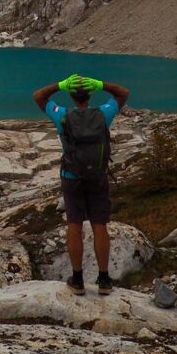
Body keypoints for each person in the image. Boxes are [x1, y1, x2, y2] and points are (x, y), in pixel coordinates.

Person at [32, 72, 129, 296]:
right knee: (100, 225)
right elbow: (123, 93)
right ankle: (104, 280)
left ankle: (77, 279)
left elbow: (38, 96)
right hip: (98, 177)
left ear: (72, 97)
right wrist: (102, 84)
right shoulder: (103, 114)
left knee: (74, 225)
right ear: (90, 96)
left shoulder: (62, 116)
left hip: (71, 177)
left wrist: (60, 85)